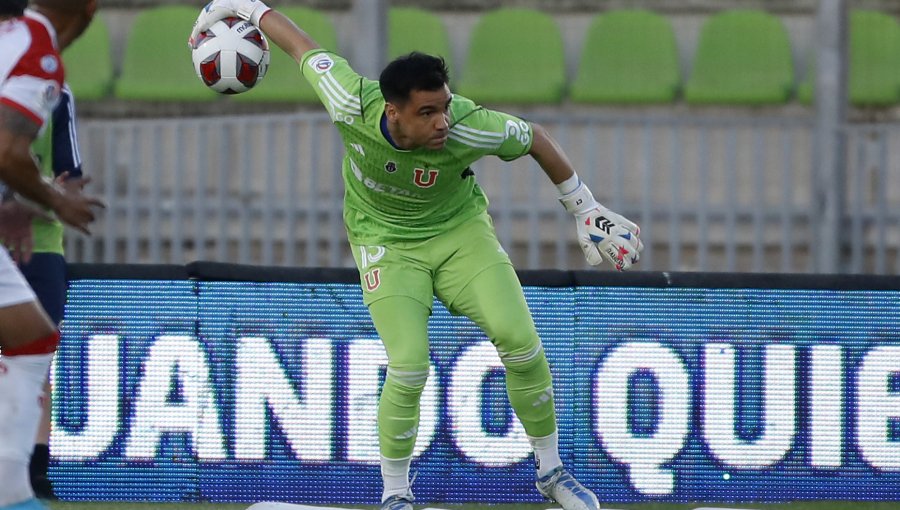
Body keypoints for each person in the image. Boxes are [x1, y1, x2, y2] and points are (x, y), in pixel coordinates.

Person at [193, 3, 643, 510]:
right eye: (427, 113)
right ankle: (396, 495)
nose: (442, 123)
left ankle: (552, 472)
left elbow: (535, 138)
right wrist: (240, 8)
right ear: (392, 112)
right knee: (409, 366)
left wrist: (583, 207)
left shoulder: (469, 125)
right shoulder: (348, 100)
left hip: (459, 236)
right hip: (385, 244)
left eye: (444, 107)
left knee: (520, 341)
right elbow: (300, 45)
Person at [0, 0, 101, 509]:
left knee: (32, 337)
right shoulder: (39, 52)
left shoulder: (12, 39)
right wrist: (55, 200)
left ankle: (14, 491)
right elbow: (8, 153)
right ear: (87, 10)